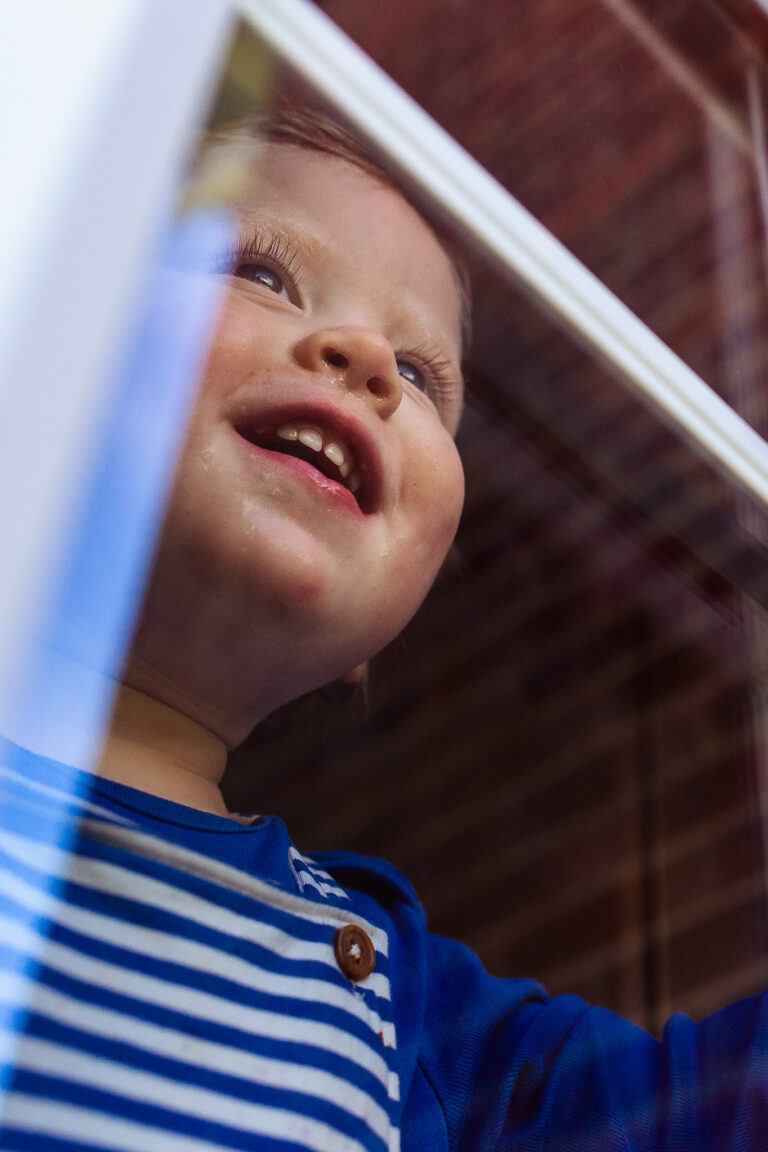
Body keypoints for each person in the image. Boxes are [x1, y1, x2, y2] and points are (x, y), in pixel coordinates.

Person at [0, 107, 767, 1152]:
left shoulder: (404, 1020)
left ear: (377, 639)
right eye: (263, 275)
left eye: (418, 376)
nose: (364, 358)